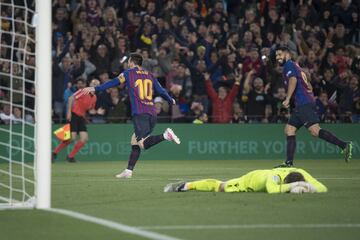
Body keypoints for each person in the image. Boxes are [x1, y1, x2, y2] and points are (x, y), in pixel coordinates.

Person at [81, 53, 180, 178]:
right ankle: (129, 171)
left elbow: (114, 82)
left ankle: (166, 135)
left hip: (140, 113)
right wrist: (170, 100)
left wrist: (96, 89)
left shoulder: (128, 73)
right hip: (152, 113)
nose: (127, 63)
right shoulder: (150, 75)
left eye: (128, 61)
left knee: (142, 143)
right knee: (135, 141)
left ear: (131, 62)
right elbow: (161, 91)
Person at [274, 46, 352, 167]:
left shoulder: (288, 65)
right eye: (276, 55)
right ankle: (288, 163)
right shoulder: (295, 65)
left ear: (287, 54)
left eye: (279, 54)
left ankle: (344, 145)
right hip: (303, 103)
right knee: (289, 129)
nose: (277, 57)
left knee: (315, 131)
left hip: (303, 103)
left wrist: (288, 98)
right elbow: (308, 85)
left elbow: (293, 80)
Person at [164, 167, 327, 194]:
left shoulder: (300, 172)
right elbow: (272, 190)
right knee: (221, 187)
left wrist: (308, 186)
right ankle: (186, 185)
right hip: (249, 180)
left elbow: (322, 188)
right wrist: (298, 185)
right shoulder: (275, 178)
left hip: (260, 175)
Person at [52, 79, 100, 162]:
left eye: (97, 84)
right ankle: (54, 153)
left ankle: (70, 157)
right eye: (93, 83)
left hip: (81, 118)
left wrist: (97, 112)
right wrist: (69, 112)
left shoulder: (95, 98)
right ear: (90, 84)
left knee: (84, 138)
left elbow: (90, 110)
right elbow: (71, 98)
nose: (95, 85)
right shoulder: (83, 91)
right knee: (72, 138)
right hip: (74, 115)